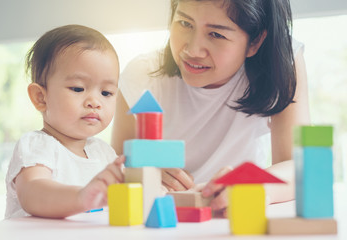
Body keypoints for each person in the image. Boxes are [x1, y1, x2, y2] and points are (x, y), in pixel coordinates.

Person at [111, 0, 310, 212]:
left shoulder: (280, 63)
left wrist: (255, 185)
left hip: (231, 219)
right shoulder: (142, 75)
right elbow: (114, 166)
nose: (193, 50)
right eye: (185, 24)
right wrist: (142, 174)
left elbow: (298, 167)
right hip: (165, 216)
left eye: (216, 34)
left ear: (256, 41)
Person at [5, 24, 123, 219]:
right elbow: (33, 193)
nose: (95, 102)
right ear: (41, 97)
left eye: (106, 93)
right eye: (78, 89)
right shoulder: (37, 146)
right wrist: (82, 197)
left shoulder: (104, 153)